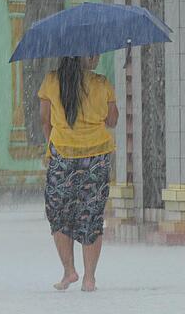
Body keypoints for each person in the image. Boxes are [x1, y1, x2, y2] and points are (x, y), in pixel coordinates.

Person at [38, 55, 119, 292]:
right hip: (96, 157)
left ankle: (69, 271)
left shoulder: (52, 81)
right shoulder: (102, 83)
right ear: (82, 56)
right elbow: (112, 121)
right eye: (92, 53)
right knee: (91, 214)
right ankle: (89, 278)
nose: (97, 57)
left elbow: (45, 121)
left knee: (59, 214)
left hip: (62, 156)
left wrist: (56, 141)